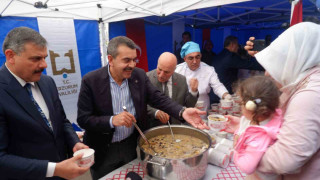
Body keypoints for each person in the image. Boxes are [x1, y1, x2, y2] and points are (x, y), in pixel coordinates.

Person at [77, 36, 208, 180]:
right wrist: (111, 120)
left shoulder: (138, 75)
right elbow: (83, 119)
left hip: (130, 146)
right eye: (127, 60)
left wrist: (182, 111)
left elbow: (158, 98)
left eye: (134, 60)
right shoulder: (91, 81)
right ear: (110, 59)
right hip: (104, 150)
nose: (132, 65)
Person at [227, 22, 320, 179]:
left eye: (277, 63)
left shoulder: (310, 95)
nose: (268, 75)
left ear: (294, 59)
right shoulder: (307, 81)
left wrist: (245, 149)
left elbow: (287, 159)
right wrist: (249, 124)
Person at [0, 27, 90, 180]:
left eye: (44, 58)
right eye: (36, 59)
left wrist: (74, 142)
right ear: (10, 56)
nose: (44, 65)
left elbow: (61, 121)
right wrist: (54, 169)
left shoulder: (47, 82)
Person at [228, 76, 282, 180]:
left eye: (241, 103)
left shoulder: (260, 138)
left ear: (250, 107)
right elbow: (250, 125)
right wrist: (239, 127)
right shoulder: (271, 116)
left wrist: (236, 149)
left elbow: (246, 167)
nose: (240, 106)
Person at [175, 41, 231, 112]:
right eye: (191, 58)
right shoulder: (177, 70)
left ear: (201, 56)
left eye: (197, 57)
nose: (195, 61)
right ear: (185, 59)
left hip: (203, 107)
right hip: (184, 108)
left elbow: (217, 86)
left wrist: (226, 95)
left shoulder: (208, 69)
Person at [147, 52, 198, 127]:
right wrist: (155, 112)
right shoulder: (147, 78)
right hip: (153, 127)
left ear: (174, 69)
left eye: (166, 72)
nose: (161, 75)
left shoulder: (181, 80)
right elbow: (139, 104)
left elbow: (187, 106)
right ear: (157, 64)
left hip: (175, 127)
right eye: (159, 69)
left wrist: (193, 92)